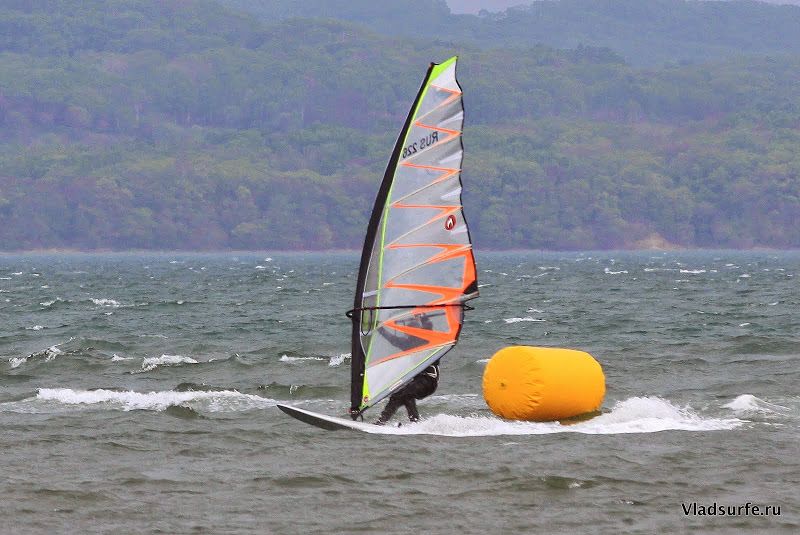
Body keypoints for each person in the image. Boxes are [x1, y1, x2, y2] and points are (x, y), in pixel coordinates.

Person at [374, 359, 439, 425]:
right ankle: (381, 421)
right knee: (396, 397)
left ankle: (414, 421)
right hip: (419, 381)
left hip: (429, 381)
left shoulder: (427, 353)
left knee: (407, 394)